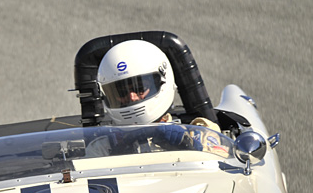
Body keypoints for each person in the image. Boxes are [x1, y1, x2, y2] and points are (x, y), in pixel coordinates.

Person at [86, 39, 230, 157]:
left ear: (162, 81)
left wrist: (188, 145)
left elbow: (223, 168)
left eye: (139, 88)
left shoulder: (199, 132)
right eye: (121, 92)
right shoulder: (101, 149)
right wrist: (117, 154)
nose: (132, 97)